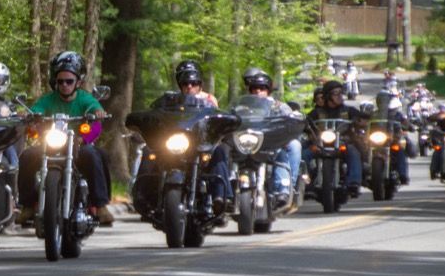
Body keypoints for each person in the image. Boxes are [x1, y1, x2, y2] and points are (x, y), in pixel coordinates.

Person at [16, 51, 114, 227]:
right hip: (51, 144)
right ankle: (28, 205)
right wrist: (28, 114)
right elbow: (35, 110)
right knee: (27, 156)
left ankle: (100, 206)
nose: (64, 85)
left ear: (79, 82)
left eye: (69, 81)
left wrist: (97, 114)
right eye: (60, 81)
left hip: (78, 144)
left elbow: (96, 113)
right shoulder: (48, 100)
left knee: (94, 155)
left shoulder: (86, 99)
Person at [131, 63, 231, 217]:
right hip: (174, 143)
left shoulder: (209, 100)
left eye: (194, 83)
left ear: (200, 84)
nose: (189, 86)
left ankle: (220, 196)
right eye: (185, 83)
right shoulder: (169, 100)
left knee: (219, 151)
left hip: (199, 144)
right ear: (180, 84)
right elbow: (154, 114)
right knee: (148, 150)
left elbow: (216, 120)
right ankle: (141, 195)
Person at [243, 70, 303, 208]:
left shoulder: (279, 106)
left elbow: (291, 122)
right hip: (248, 143)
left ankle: (287, 187)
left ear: (268, 90)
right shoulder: (243, 107)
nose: (258, 91)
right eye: (255, 88)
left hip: (272, 144)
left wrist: (292, 123)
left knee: (294, 146)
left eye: (262, 88)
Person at [304, 79, 366, 196]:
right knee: (304, 154)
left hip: (342, 142)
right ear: (327, 96)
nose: (339, 96)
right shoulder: (317, 112)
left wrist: (361, 119)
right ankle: (307, 183)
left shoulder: (348, 110)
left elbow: (362, 119)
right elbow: (306, 122)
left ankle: (353, 182)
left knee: (353, 151)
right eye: (335, 93)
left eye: (340, 93)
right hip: (320, 144)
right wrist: (304, 124)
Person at [370, 90, 410, 185]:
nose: (382, 102)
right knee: (362, 149)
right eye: (380, 100)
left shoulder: (397, 114)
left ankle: (402, 174)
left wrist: (407, 125)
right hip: (376, 140)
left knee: (400, 150)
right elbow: (365, 123)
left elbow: (405, 123)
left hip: (393, 139)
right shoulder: (373, 114)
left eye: (385, 100)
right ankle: (363, 172)